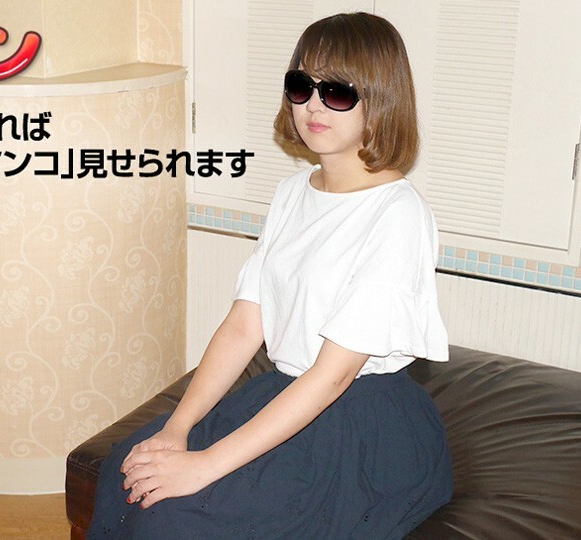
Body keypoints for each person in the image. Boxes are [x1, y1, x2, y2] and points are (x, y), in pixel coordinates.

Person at [88, 12, 453, 539]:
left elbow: (332, 377)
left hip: (360, 423)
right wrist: (177, 427)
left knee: (177, 514)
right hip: (287, 391)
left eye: (337, 92)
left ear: (381, 100)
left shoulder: (398, 214)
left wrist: (204, 466)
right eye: (302, 86)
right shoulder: (292, 193)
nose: (313, 106)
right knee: (129, 467)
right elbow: (244, 326)